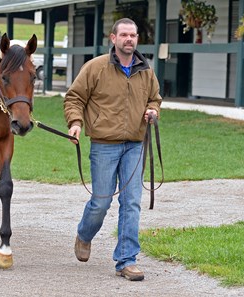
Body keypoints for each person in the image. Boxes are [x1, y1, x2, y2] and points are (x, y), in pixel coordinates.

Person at [64, 17, 162, 281]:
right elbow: (74, 97)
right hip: (104, 145)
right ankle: (84, 234)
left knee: (131, 202)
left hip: (135, 144)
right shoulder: (95, 68)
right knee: (101, 201)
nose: (130, 39)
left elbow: (155, 96)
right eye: (125, 35)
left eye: (134, 35)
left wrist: (153, 109)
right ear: (113, 38)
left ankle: (127, 260)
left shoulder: (146, 70)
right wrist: (75, 122)